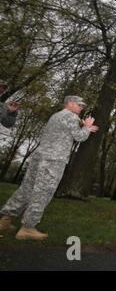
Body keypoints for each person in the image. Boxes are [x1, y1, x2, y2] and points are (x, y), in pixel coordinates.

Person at [0, 96, 98, 240]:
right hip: (53, 160)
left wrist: (83, 125)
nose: (82, 107)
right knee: (43, 192)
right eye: (80, 104)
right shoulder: (71, 116)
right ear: (70, 103)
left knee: (26, 188)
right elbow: (79, 137)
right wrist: (87, 127)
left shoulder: (56, 116)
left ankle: (5, 220)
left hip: (39, 157)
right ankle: (27, 228)